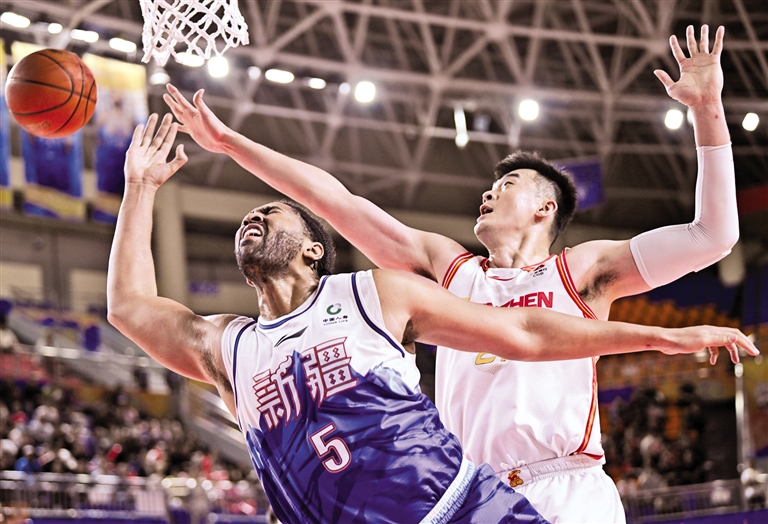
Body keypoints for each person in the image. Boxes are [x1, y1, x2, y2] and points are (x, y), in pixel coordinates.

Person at [163, 24, 740, 522]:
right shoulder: (449, 269)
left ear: (546, 208)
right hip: (467, 496)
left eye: (507, 185)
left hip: (565, 485)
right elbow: (334, 202)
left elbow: (712, 235)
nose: (488, 192)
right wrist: (229, 143)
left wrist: (707, 111)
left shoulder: (582, 270)